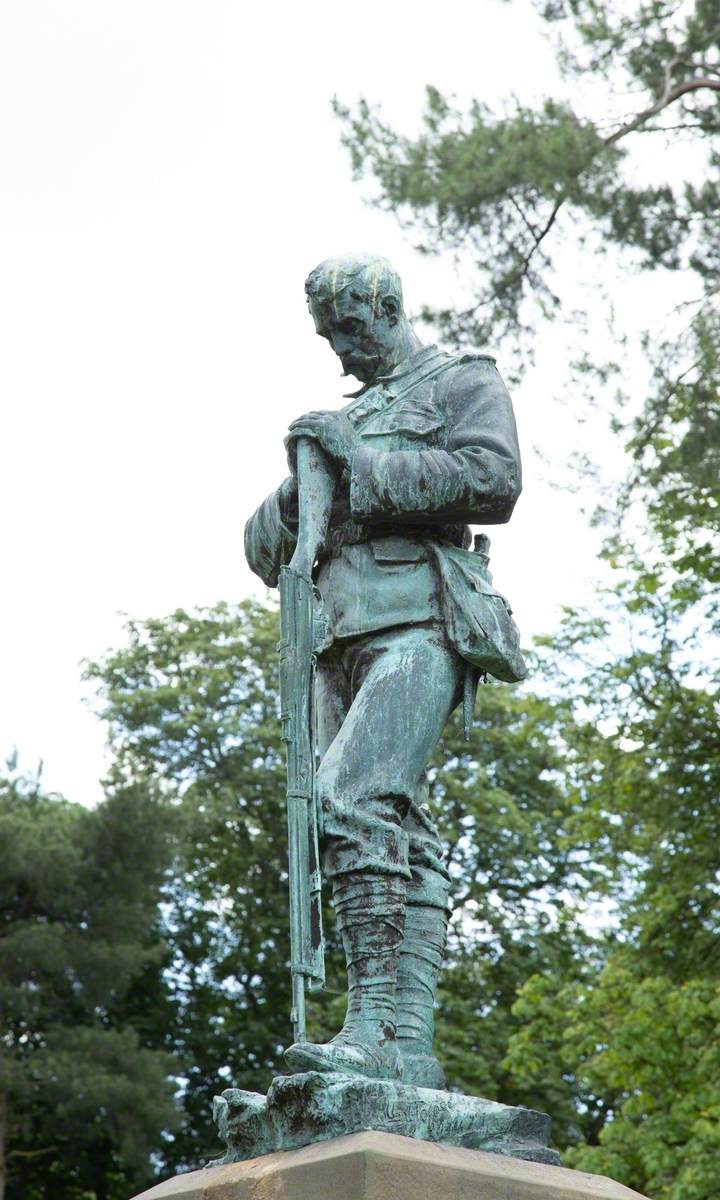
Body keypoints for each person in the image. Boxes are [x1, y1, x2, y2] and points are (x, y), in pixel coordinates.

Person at [245, 253, 525, 1087]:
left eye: (352, 330)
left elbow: (494, 478)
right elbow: (265, 551)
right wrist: (296, 494)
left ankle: (368, 1025)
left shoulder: (458, 381)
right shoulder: (346, 415)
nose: (341, 352)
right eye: (329, 337)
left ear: (390, 309)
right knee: (398, 824)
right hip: (337, 639)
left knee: (351, 798)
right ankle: (406, 1044)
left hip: (421, 623)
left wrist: (361, 466)